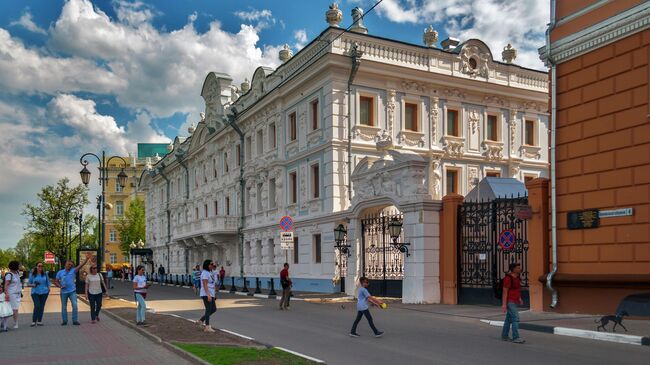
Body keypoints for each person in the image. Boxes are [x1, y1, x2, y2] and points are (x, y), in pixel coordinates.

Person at [55, 252, 92, 326]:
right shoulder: (60, 272)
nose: (70, 266)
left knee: (75, 306)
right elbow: (56, 281)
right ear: (65, 264)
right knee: (64, 307)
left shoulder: (73, 270)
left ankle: (75, 320)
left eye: (71, 265)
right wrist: (60, 286)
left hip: (72, 291)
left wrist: (86, 259)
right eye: (69, 264)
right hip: (63, 292)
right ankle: (64, 321)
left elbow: (81, 265)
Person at [501, 262, 525, 344]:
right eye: (518, 268)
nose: (520, 269)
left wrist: (520, 298)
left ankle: (504, 336)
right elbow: (505, 292)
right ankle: (516, 337)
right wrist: (504, 304)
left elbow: (517, 289)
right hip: (509, 301)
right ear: (513, 269)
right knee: (516, 318)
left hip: (515, 301)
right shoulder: (508, 279)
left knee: (508, 319)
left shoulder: (517, 278)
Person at [27, 262, 50, 327]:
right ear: (36, 267)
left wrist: (49, 289)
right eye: (39, 266)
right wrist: (33, 285)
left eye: (42, 266)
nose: (40, 267)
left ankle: (39, 321)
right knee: (37, 305)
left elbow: (48, 282)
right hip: (35, 292)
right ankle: (34, 321)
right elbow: (28, 284)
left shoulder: (45, 274)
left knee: (41, 306)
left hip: (44, 292)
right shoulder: (32, 274)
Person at [196, 260, 217, 332]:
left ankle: (201, 320)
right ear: (207, 265)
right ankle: (207, 327)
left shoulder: (209, 273)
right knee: (208, 309)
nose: (212, 265)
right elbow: (205, 284)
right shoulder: (205, 273)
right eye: (211, 264)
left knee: (213, 309)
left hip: (211, 293)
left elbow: (211, 284)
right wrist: (208, 295)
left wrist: (213, 294)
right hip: (206, 294)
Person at [3, 261, 22, 329]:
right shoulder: (9, 274)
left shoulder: (17, 273)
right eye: (18, 265)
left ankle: (4, 323)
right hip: (12, 294)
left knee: (14, 309)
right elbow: (6, 285)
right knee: (15, 309)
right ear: (15, 266)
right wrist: (7, 294)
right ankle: (15, 323)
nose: (20, 266)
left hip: (18, 294)